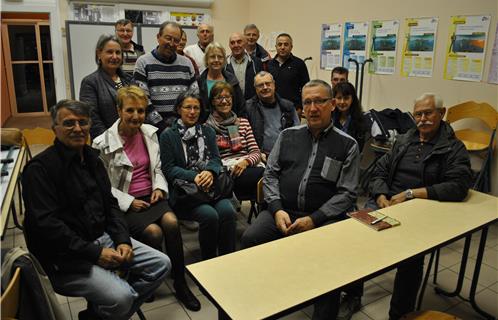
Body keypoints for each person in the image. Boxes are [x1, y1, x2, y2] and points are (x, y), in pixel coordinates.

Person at [22, 99, 170, 320]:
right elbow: (48, 227)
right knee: (122, 298)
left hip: (103, 238)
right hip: (65, 258)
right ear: (55, 128)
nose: (78, 129)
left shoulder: (92, 159)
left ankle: (97, 315)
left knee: (161, 264)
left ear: (90, 125)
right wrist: (96, 253)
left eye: (83, 122)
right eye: (69, 123)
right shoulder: (39, 170)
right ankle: (110, 309)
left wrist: (122, 240)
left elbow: (110, 205)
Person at [241, 80, 360, 320]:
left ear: (333, 105)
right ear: (301, 108)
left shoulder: (348, 145)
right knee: (250, 239)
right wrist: (275, 209)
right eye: (307, 102)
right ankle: (259, 303)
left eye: (320, 101)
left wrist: (314, 219)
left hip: (323, 218)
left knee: (328, 258)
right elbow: (271, 174)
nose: (313, 108)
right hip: (283, 211)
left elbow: (347, 193)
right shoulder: (287, 136)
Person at [92, 86, 200, 311]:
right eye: (130, 110)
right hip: (124, 203)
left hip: (151, 196)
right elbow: (102, 188)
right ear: (118, 110)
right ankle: (149, 279)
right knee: (154, 232)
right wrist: (129, 201)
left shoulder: (150, 133)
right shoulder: (101, 143)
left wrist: (159, 188)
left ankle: (180, 283)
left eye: (141, 111)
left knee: (171, 222)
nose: (136, 116)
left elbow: (158, 169)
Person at [367, 93, 472, 320]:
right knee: (353, 235)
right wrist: (381, 195)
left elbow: (459, 185)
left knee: (410, 259)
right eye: (418, 114)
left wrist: (411, 194)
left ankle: (399, 315)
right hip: (387, 204)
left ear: (441, 114)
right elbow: (378, 171)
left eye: (428, 113)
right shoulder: (405, 140)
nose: (422, 119)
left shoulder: (453, 148)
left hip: (420, 213)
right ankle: (352, 294)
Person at [160, 92, 237, 260]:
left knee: (228, 211)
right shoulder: (168, 135)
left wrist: (209, 171)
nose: (192, 112)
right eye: (188, 107)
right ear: (179, 109)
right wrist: (194, 176)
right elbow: (169, 169)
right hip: (186, 192)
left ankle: (229, 259)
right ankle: (209, 262)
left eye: (196, 108)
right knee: (209, 216)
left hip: (211, 187)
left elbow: (216, 159)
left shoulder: (207, 131)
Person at [134, 21, 198, 131]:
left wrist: (182, 124)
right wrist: (162, 127)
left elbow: (194, 96)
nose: (172, 43)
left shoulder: (187, 63)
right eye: (168, 38)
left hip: (183, 128)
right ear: (158, 37)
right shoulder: (143, 63)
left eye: (176, 40)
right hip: (154, 130)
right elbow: (143, 100)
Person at [205, 82, 264, 200]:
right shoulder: (207, 127)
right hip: (226, 171)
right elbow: (209, 159)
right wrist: (232, 166)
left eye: (227, 97)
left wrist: (245, 162)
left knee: (269, 178)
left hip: (247, 167)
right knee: (267, 177)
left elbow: (256, 152)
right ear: (212, 102)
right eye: (219, 98)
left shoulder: (243, 122)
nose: (224, 101)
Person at [80, 34, 133, 139]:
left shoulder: (129, 79)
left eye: (118, 52)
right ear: (99, 53)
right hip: (107, 143)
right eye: (109, 52)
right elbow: (92, 118)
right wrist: (111, 141)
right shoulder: (90, 82)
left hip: (131, 138)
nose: (114, 56)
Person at [245, 71, 299, 159]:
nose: (265, 87)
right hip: (261, 157)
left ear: (274, 85)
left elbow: (297, 133)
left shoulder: (288, 106)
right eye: (260, 85)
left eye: (268, 84)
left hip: (286, 154)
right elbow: (245, 137)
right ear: (255, 89)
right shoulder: (248, 108)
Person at [197, 42, 245, 122]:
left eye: (220, 57)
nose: (216, 60)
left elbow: (241, 107)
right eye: (212, 57)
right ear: (206, 59)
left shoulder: (232, 80)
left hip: (230, 126)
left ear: (224, 59)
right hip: (206, 126)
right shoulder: (199, 82)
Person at [268, 33, 310, 115]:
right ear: (276, 47)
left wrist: (300, 107)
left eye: (286, 44)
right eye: (280, 44)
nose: (282, 47)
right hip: (272, 109)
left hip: (293, 109)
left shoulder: (299, 64)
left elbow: (306, 88)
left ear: (291, 47)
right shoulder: (269, 64)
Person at [332, 81, 368, 152]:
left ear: (352, 99)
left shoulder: (360, 121)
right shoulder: (329, 118)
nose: (342, 102)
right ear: (334, 100)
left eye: (346, 98)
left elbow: (359, 148)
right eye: (339, 98)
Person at [226, 32, 262, 100]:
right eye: (232, 43)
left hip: (253, 105)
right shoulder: (224, 64)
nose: (236, 45)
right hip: (231, 105)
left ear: (245, 43)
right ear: (229, 45)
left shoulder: (256, 62)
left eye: (239, 42)